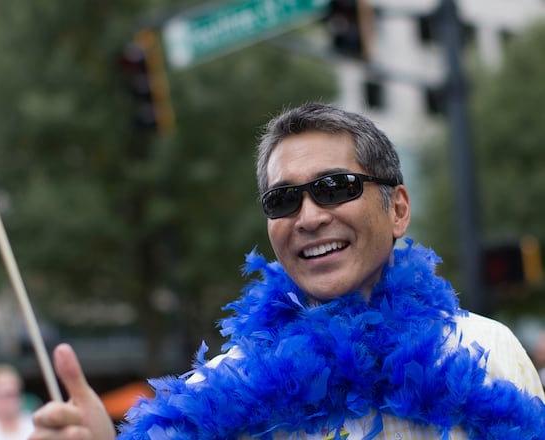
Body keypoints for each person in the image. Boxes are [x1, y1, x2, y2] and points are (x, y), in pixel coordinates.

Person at [29, 103, 545, 439]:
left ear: (398, 209)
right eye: (283, 199)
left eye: (335, 187)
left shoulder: (489, 351)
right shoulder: (220, 391)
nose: (309, 217)